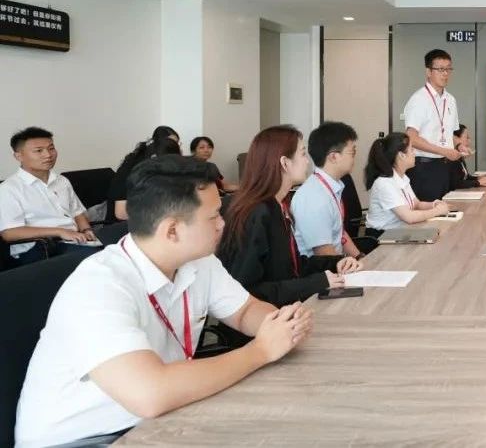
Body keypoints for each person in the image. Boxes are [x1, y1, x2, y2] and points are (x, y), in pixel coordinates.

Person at [15, 156, 313, 448]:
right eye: (213, 216)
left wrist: (278, 326)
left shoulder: (199, 261)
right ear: (172, 230)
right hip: (87, 438)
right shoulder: (98, 287)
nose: (223, 224)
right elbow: (149, 394)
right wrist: (260, 351)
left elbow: (245, 310)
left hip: (158, 417)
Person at [218, 125, 363, 307]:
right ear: (285, 163)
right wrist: (316, 282)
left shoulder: (277, 205)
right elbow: (248, 290)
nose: (308, 162)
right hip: (266, 318)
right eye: (303, 154)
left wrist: (336, 263)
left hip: (287, 309)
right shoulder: (257, 213)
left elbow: (291, 266)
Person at [0, 126, 99, 265]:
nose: (48, 155)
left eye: (51, 148)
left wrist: (86, 229)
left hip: (72, 239)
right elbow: (9, 233)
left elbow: (77, 213)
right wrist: (60, 232)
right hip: (38, 248)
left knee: (115, 250)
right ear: (19, 156)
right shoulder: (9, 189)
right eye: (39, 151)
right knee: (94, 260)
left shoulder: (61, 181)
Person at [289, 121, 366, 259]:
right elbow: (323, 253)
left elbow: (339, 233)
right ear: (333, 157)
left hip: (336, 264)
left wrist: (360, 257)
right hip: (323, 269)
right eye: (352, 152)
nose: (354, 158)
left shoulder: (330, 187)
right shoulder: (313, 197)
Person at [403, 49, 463, 201]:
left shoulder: (450, 100)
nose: (445, 74)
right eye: (440, 69)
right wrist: (444, 151)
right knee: (429, 212)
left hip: (446, 167)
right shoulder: (419, 99)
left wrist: (459, 145)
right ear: (428, 72)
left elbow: (448, 134)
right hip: (424, 168)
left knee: (447, 210)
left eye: (448, 69)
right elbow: (411, 138)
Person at [364, 132, 450, 232]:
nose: (414, 153)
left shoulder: (402, 177)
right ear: (401, 155)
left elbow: (417, 204)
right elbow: (409, 217)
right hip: (382, 236)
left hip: (399, 231)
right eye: (412, 150)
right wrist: (437, 211)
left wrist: (434, 204)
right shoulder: (384, 183)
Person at [109, 126, 182, 221]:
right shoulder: (133, 168)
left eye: (177, 144)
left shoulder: (164, 166)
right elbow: (121, 213)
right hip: (127, 222)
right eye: (172, 143)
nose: (176, 148)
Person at [449, 125, 486, 190]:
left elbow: (465, 177)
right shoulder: (451, 158)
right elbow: (456, 184)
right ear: (455, 138)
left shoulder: (460, 156)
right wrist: (478, 182)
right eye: (467, 137)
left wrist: (478, 178)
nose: (469, 141)